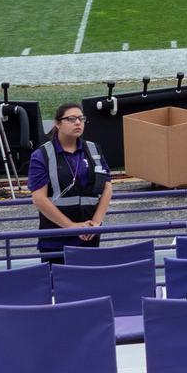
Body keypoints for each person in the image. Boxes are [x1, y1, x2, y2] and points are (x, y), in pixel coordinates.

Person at [28, 104, 113, 262]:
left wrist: (96, 223)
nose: (78, 123)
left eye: (81, 119)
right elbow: (39, 198)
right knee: (57, 284)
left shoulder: (94, 149)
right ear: (58, 123)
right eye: (71, 119)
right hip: (55, 238)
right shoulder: (42, 155)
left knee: (87, 282)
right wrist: (71, 226)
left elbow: (107, 187)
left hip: (89, 235)